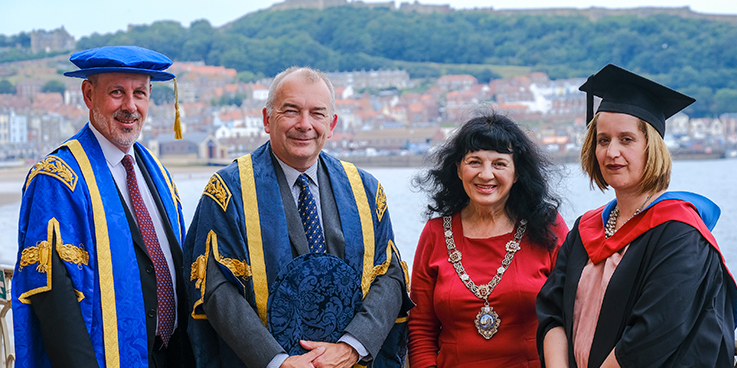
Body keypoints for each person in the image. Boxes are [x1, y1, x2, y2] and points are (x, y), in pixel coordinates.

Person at [183, 66, 412, 368]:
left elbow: (389, 277)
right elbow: (216, 289)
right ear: (267, 119)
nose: (305, 125)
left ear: (332, 124)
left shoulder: (366, 190)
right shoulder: (229, 191)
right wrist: (277, 361)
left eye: (317, 114)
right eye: (291, 111)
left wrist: (351, 347)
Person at [536, 64, 737, 368]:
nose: (611, 152)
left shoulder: (680, 233)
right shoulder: (585, 230)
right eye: (603, 140)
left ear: (652, 148)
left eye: (627, 139)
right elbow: (552, 313)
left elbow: (652, 336)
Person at [12, 46, 193, 368]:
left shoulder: (157, 173)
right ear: (88, 94)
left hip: (172, 356)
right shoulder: (59, 179)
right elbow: (53, 295)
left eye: (140, 93)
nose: (130, 106)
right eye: (117, 93)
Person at [408, 112, 569, 367]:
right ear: (458, 169)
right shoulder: (435, 233)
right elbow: (420, 328)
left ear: (517, 173)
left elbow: (569, 314)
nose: (486, 174)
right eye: (475, 161)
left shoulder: (548, 228)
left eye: (499, 164)